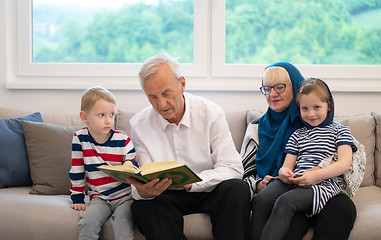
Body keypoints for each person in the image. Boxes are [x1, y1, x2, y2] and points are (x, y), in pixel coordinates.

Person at [127, 53, 250, 240]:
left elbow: (233, 168)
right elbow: (144, 175)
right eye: (152, 97)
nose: (161, 104)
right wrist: (141, 192)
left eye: (166, 93)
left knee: (237, 189)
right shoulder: (139, 124)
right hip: (166, 195)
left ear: (182, 84)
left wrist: (193, 182)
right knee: (142, 206)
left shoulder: (211, 113)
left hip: (208, 190)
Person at [241, 62, 357, 240]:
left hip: (322, 186)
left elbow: (346, 162)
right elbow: (286, 166)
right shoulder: (292, 133)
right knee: (262, 199)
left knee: (286, 202)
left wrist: (318, 174)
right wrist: (284, 173)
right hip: (292, 182)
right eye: (267, 88)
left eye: (279, 87)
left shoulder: (338, 130)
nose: (311, 114)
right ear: (300, 107)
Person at [69, 86, 137, 240]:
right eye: (102, 115)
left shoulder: (123, 139)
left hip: (125, 196)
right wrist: (77, 198)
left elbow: (132, 161)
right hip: (99, 197)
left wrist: (129, 165)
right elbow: (77, 170)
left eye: (112, 115)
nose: (109, 120)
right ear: (84, 117)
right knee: (87, 221)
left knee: (122, 221)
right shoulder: (79, 138)